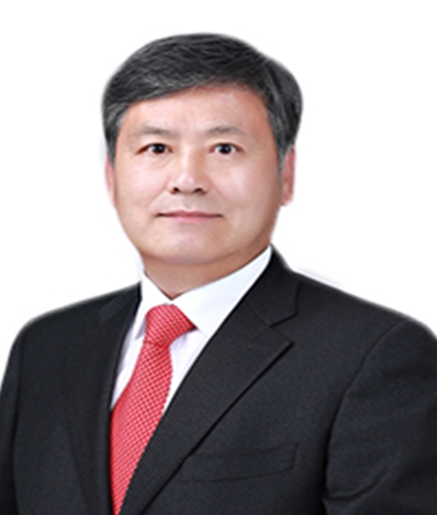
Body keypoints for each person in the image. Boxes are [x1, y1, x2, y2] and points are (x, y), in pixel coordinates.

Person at [1, 33, 436, 515]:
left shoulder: (373, 357)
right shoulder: (45, 348)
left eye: (224, 148)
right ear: (111, 175)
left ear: (286, 174)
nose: (187, 179)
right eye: (156, 148)